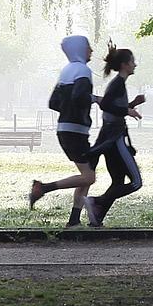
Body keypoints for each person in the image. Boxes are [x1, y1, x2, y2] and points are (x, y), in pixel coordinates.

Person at [29, 34, 102, 225]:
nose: (91, 50)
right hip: (75, 131)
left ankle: (74, 220)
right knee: (89, 177)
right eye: (88, 47)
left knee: (86, 176)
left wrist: (69, 109)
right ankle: (43, 188)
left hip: (66, 129)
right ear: (79, 49)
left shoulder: (66, 71)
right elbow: (79, 96)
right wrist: (96, 100)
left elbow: (53, 102)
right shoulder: (83, 71)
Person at [85, 44, 145, 228]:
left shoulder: (118, 84)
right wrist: (127, 109)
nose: (135, 65)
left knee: (118, 181)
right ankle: (96, 202)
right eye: (133, 62)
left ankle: (97, 217)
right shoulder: (117, 83)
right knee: (135, 182)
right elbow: (105, 105)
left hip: (110, 137)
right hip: (115, 137)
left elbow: (113, 107)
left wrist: (131, 104)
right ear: (125, 65)